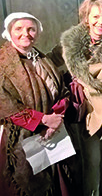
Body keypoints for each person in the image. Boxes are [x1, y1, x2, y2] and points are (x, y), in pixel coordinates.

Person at [61, 0, 102, 196]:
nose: (101, 22)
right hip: (88, 114)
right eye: (96, 16)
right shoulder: (70, 47)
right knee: (92, 161)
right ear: (86, 18)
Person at [0, 12, 69, 195]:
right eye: (19, 29)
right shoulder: (2, 61)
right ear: (9, 32)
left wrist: (55, 119)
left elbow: (62, 91)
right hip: (19, 136)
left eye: (31, 29)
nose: (26, 34)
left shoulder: (42, 58)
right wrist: (43, 120)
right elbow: (4, 102)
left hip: (52, 133)